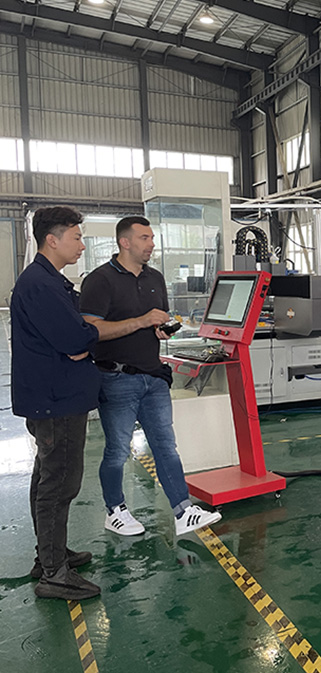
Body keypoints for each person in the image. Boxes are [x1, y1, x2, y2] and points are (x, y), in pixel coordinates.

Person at [79, 215, 221, 537]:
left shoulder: (154, 277)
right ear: (125, 242)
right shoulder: (100, 280)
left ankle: (183, 511)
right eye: (145, 238)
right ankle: (114, 510)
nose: (151, 244)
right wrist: (142, 321)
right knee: (117, 450)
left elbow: (156, 322)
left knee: (166, 446)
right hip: (116, 379)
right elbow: (91, 330)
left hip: (153, 377)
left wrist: (160, 328)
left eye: (152, 238)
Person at [10, 206, 101, 600]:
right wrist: (87, 339)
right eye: (76, 237)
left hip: (51, 396)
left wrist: (82, 338)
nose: (82, 245)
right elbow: (75, 339)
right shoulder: (41, 285)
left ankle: (49, 555)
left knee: (47, 477)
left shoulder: (48, 281)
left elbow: (76, 335)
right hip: (56, 400)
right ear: (52, 239)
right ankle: (54, 574)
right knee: (59, 484)